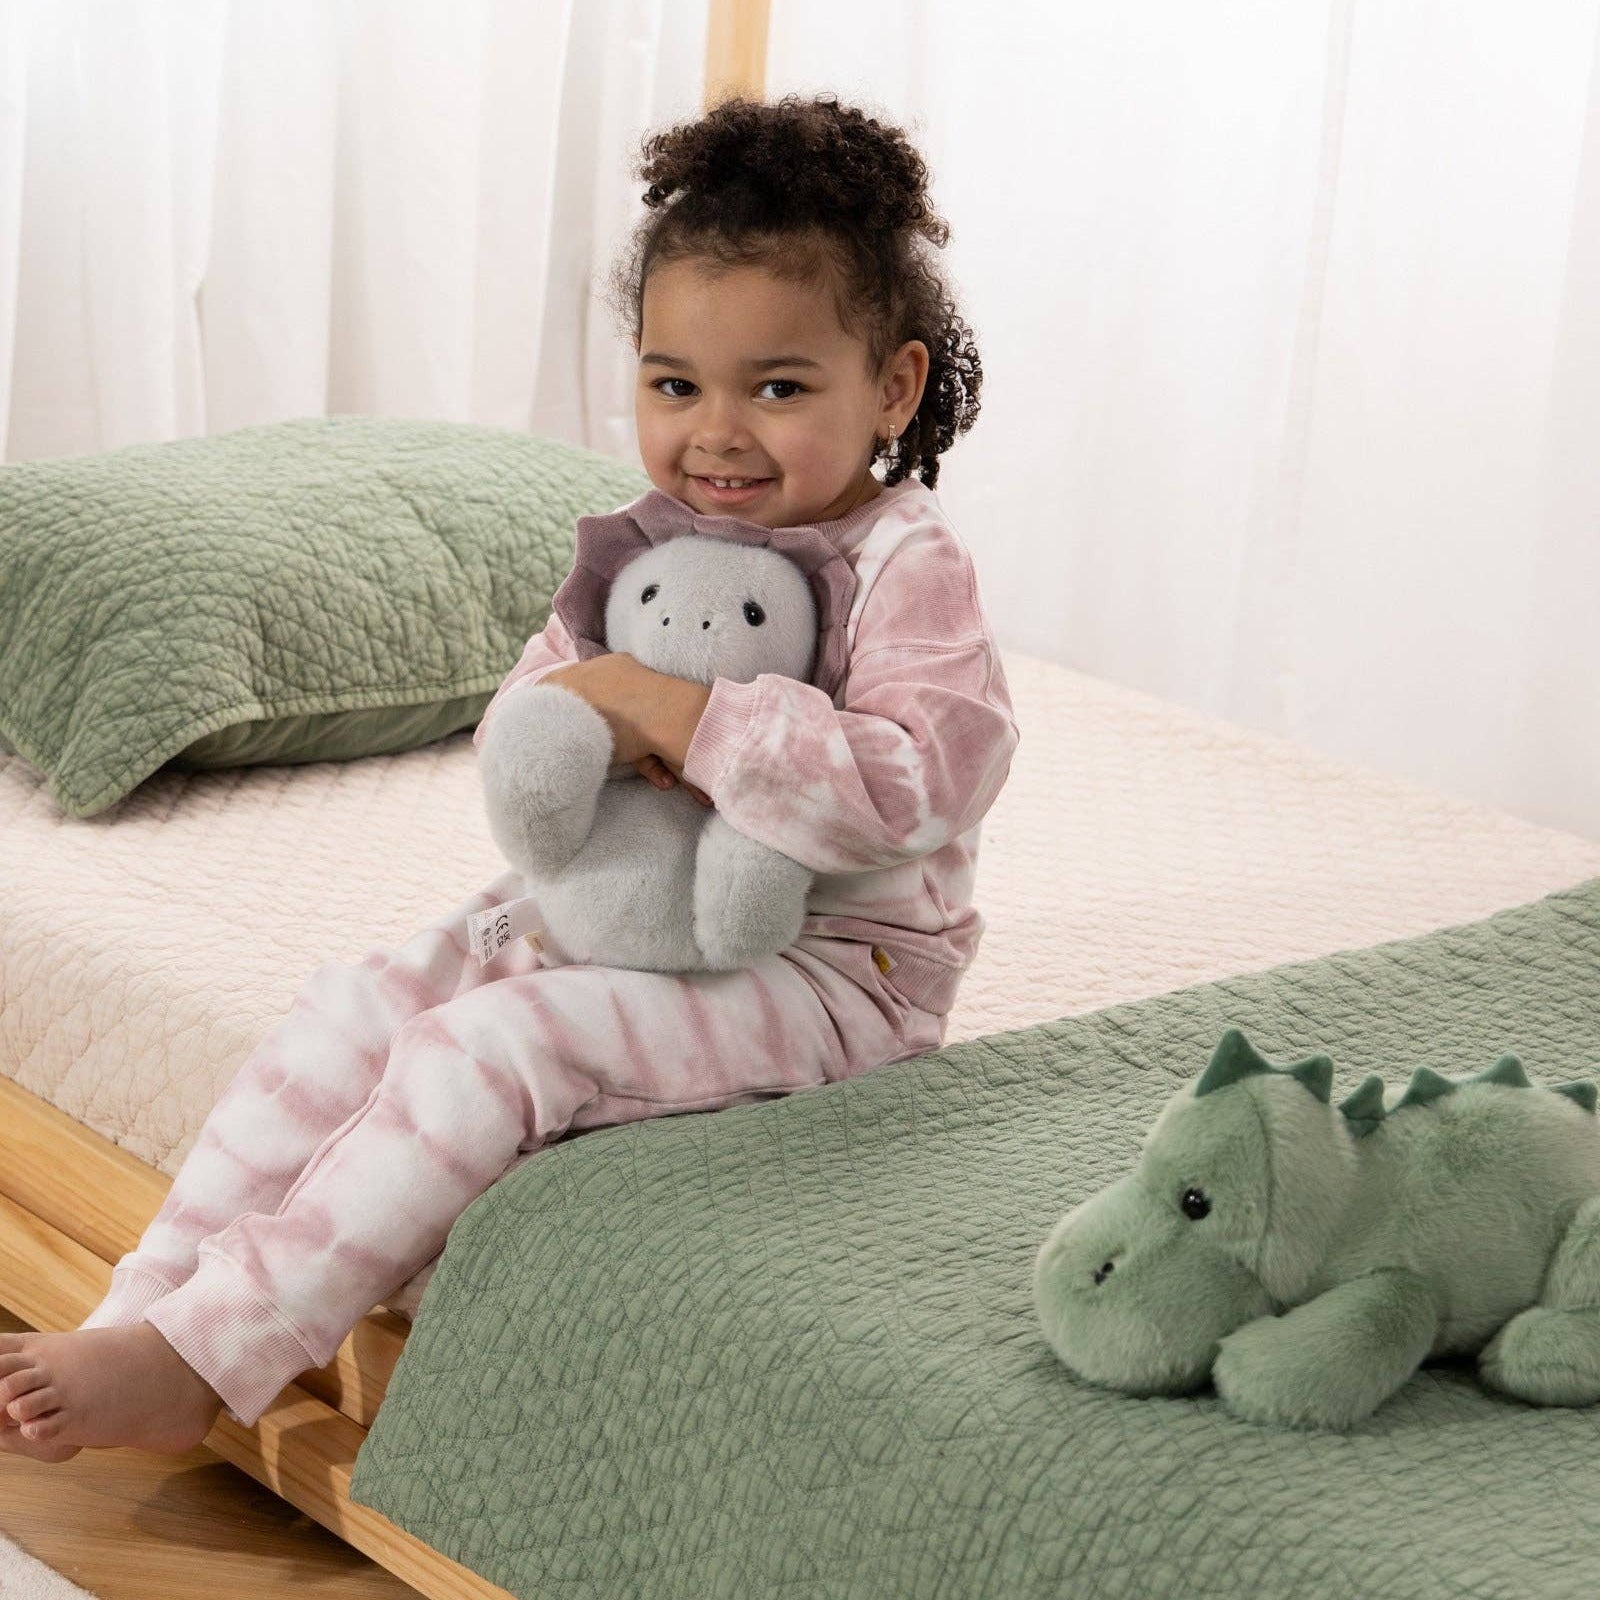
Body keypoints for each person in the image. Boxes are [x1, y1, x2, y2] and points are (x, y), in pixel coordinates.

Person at [0, 92, 1019, 1460]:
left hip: (837, 977)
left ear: (889, 386)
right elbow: (531, 734)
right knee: (363, 1002)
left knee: (499, 1046)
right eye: (676, 384)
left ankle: (209, 1357)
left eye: (778, 387)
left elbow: (924, 782)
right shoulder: (640, 550)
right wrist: (575, 722)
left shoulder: (909, 564)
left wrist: (681, 712)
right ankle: (144, 1312)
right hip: (622, 910)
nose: (718, 432)